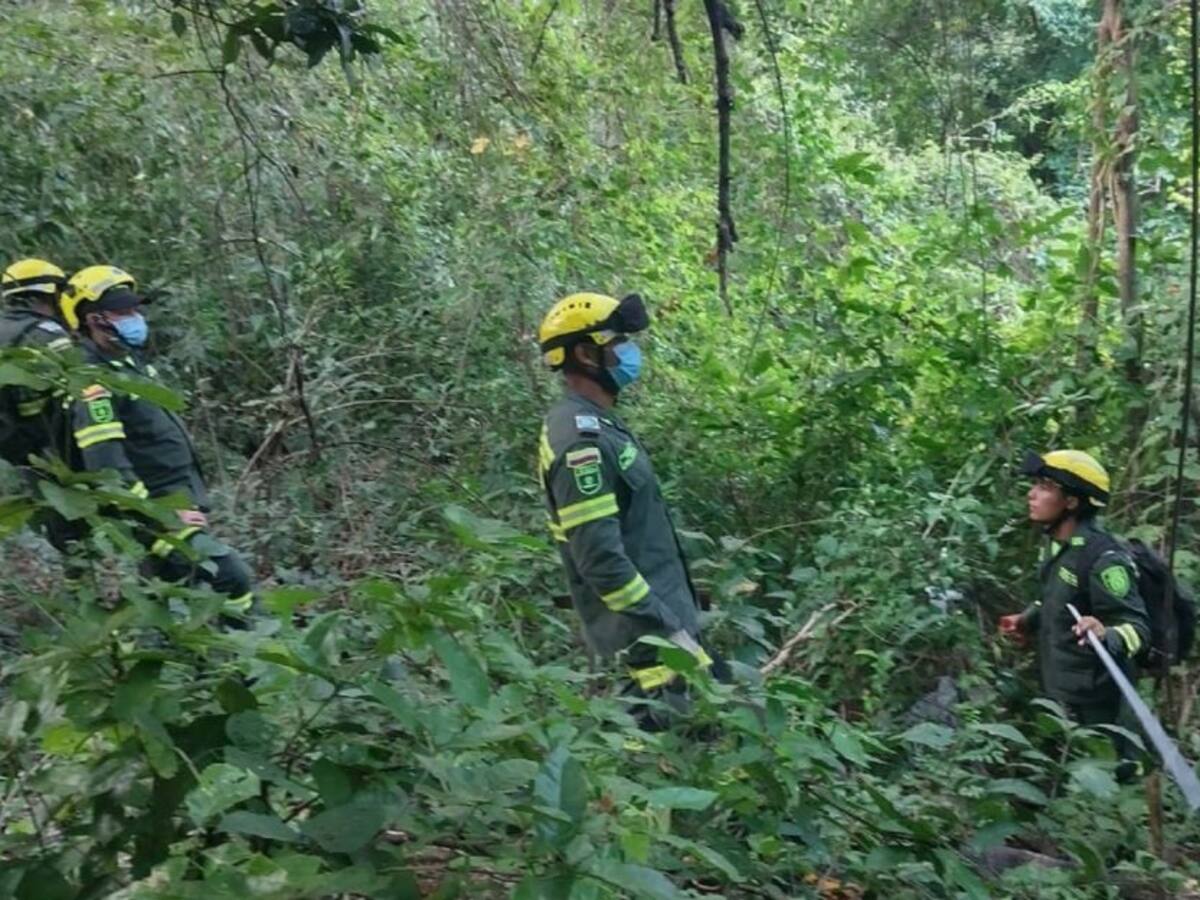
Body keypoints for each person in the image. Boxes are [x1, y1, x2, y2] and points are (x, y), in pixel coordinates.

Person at [536, 291, 724, 730]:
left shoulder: (599, 425)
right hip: (649, 652)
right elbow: (601, 559)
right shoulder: (579, 442)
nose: (628, 352)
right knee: (665, 774)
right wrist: (669, 630)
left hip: (666, 637)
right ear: (584, 354)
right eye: (616, 342)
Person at [57, 264, 255, 616]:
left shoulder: (130, 364)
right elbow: (108, 469)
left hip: (176, 502)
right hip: (155, 513)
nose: (134, 318)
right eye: (122, 311)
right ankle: (245, 653)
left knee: (168, 596)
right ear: (93, 319)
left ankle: (195, 661)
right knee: (229, 576)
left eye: (135, 309)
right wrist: (162, 515)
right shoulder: (94, 383)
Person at [999, 449, 1150, 779]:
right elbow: (1056, 598)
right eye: (1034, 484)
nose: (1032, 493)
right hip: (1060, 691)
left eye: (1044, 487)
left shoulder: (1104, 558)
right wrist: (1027, 618)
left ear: (1070, 502)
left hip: (1098, 704)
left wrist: (1106, 634)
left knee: (1113, 781)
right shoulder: (1058, 546)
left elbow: (1138, 627)